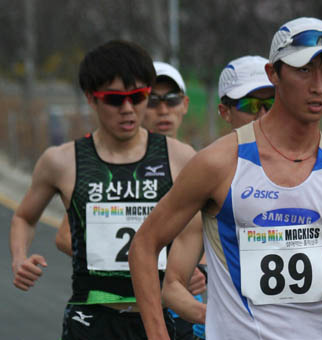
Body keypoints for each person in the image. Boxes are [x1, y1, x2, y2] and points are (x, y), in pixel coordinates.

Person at [129, 17, 322, 340]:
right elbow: (144, 246)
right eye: (304, 70)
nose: (318, 86)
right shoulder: (219, 163)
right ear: (273, 74)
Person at [9, 40, 200, 339]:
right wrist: (19, 257)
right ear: (91, 98)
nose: (128, 109)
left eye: (138, 97)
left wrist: (196, 264)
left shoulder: (179, 156)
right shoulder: (61, 161)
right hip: (91, 319)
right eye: (114, 100)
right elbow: (25, 217)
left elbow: (204, 224)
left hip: (159, 315)